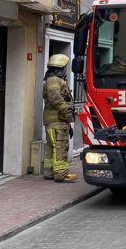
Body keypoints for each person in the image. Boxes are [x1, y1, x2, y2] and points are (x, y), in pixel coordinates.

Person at [42, 54, 78, 183]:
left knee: (52, 147)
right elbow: (55, 98)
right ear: (61, 67)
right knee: (60, 147)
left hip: (54, 121)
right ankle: (61, 174)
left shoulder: (53, 79)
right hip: (57, 121)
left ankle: (49, 172)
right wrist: (67, 111)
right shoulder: (54, 80)